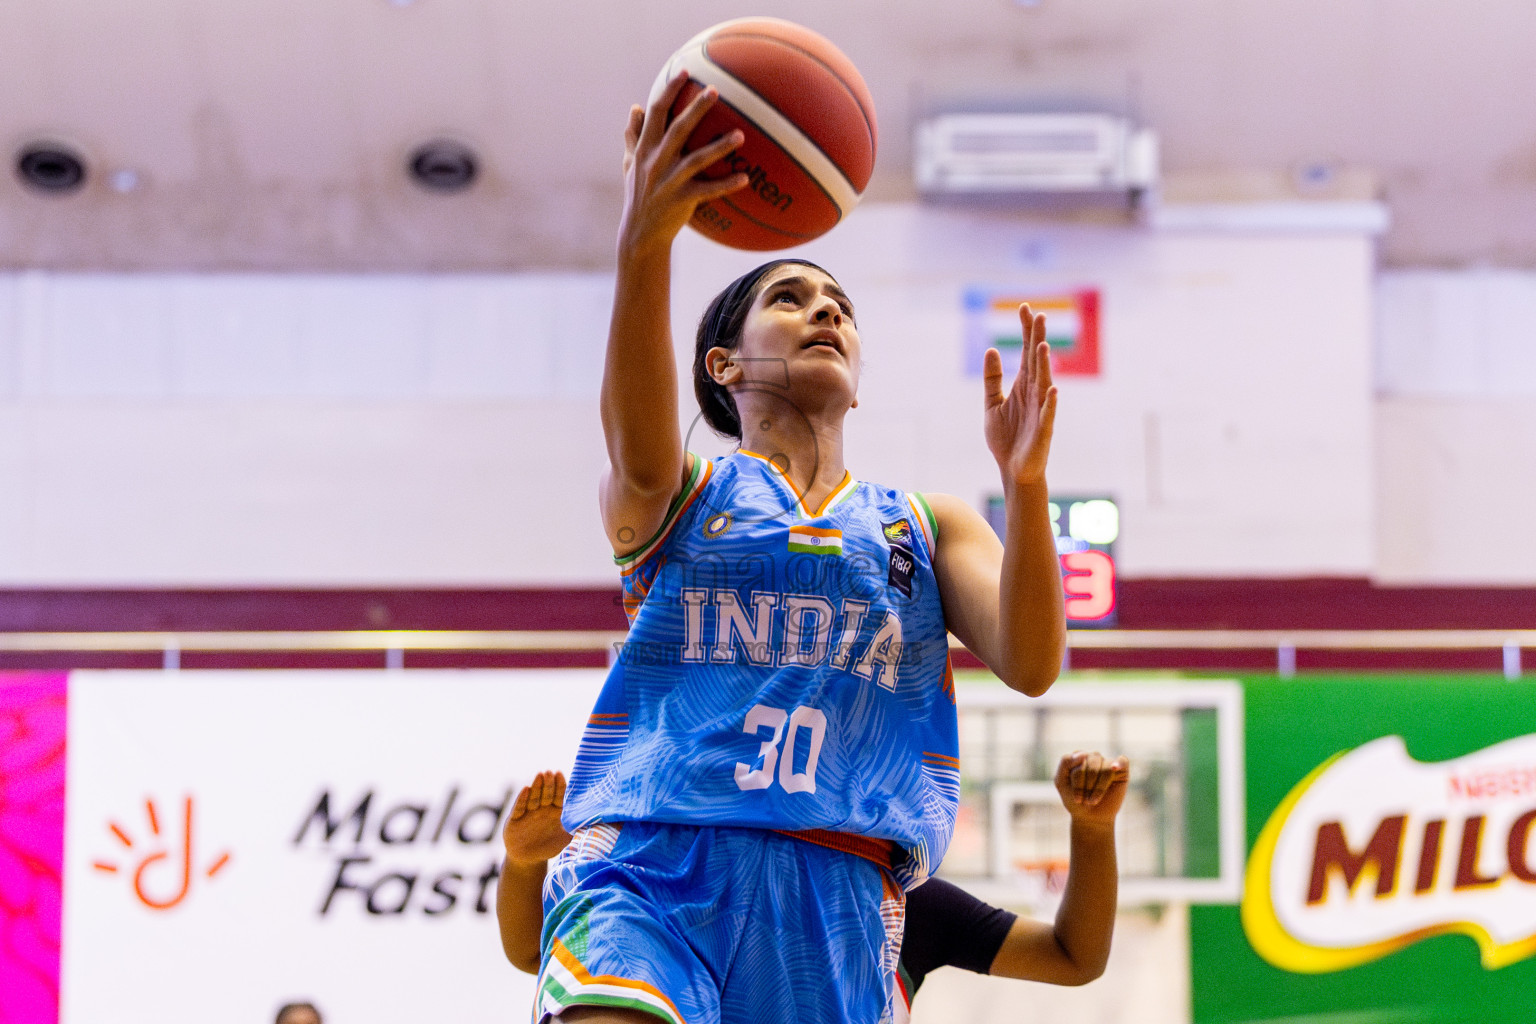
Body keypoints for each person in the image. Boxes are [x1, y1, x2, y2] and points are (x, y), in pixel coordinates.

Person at [538, 70, 1067, 1024]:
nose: (827, 312)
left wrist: (1025, 487)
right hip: (656, 865)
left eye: (842, 308)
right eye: (791, 296)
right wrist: (646, 236)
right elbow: (637, 449)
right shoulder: (687, 493)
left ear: (857, 383)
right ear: (725, 365)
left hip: (838, 898)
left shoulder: (927, 521)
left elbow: (1032, 663)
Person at [499, 753, 1128, 1021]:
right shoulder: (672, 860)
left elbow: (1075, 958)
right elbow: (536, 952)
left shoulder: (897, 898)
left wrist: (1092, 830)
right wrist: (524, 866)